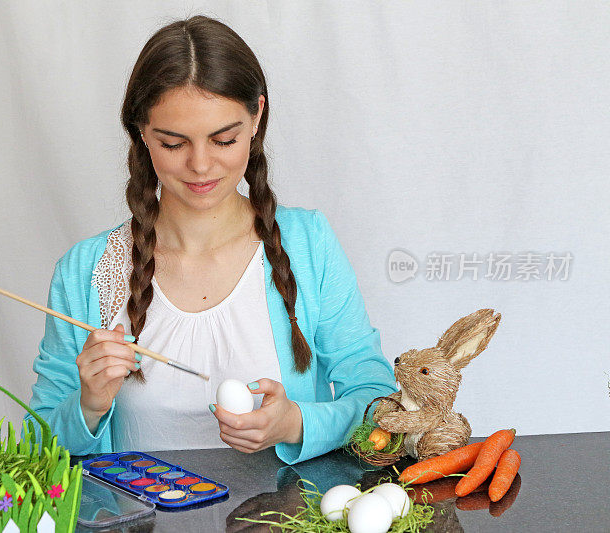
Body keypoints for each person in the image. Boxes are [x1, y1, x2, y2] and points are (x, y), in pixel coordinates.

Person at [26, 15, 396, 464]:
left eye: (223, 139)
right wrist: (87, 405)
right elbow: (35, 448)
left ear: (257, 116)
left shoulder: (308, 244)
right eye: (174, 144)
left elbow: (380, 405)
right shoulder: (86, 271)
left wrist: (296, 424)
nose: (201, 166)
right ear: (141, 131)